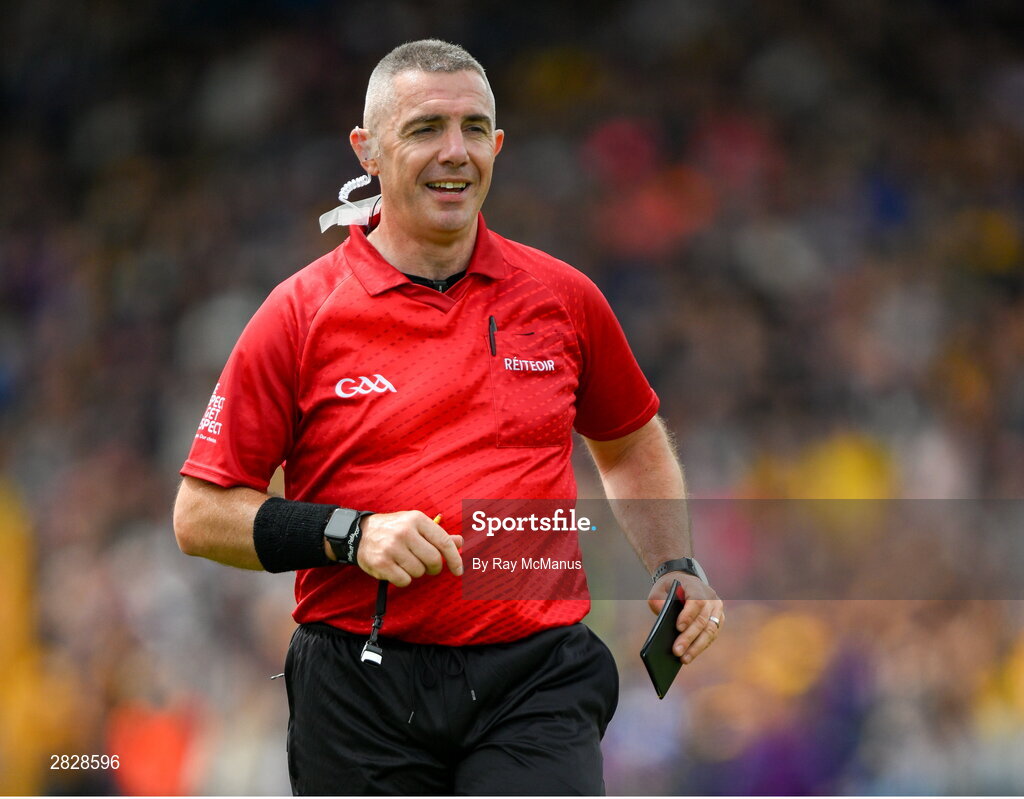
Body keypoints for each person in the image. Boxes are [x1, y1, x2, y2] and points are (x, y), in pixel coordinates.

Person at [173, 39, 723, 796]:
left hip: (537, 676)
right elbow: (200, 515)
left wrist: (674, 564)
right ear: (367, 149)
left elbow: (628, 446)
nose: (454, 152)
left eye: (474, 128)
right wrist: (352, 533)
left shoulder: (564, 298)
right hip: (358, 687)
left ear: (498, 145)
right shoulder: (299, 314)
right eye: (425, 128)